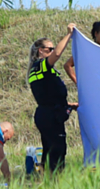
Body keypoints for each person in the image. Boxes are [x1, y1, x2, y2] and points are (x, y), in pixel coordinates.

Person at [28, 23, 79, 173]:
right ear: (40, 52)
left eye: (52, 48)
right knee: (57, 150)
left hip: (48, 112)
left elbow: (47, 95)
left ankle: (46, 179)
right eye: (48, 49)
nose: (52, 51)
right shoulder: (40, 65)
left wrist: (68, 104)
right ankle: (54, 182)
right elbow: (57, 54)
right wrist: (69, 34)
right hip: (49, 115)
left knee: (50, 150)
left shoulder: (41, 70)